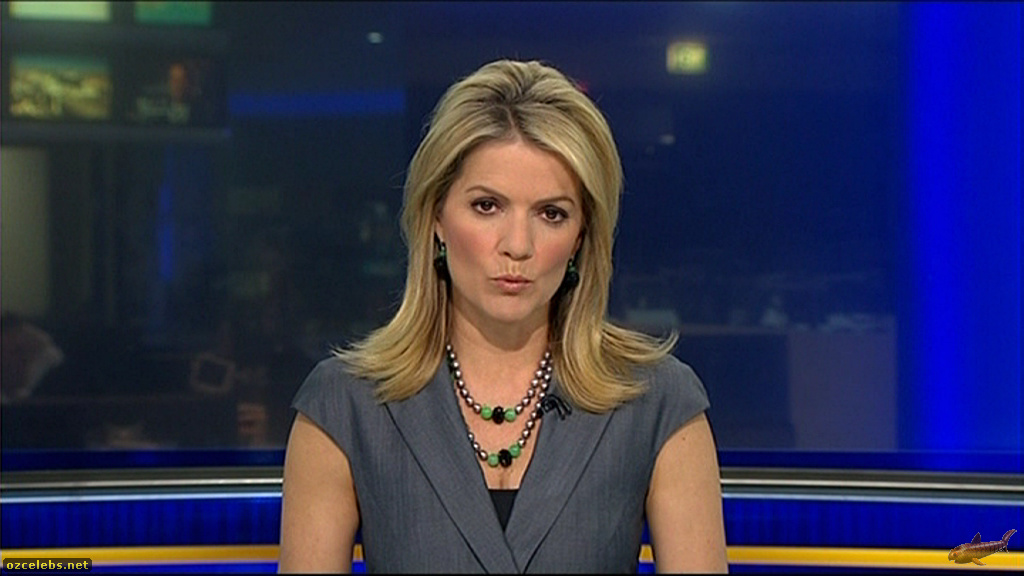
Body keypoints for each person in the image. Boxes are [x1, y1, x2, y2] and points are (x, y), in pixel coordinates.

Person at [278, 59, 728, 573]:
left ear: (581, 237)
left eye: (551, 214)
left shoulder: (658, 403)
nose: (518, 245)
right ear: (436, 218)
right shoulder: (345, 406)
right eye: (487, 206)